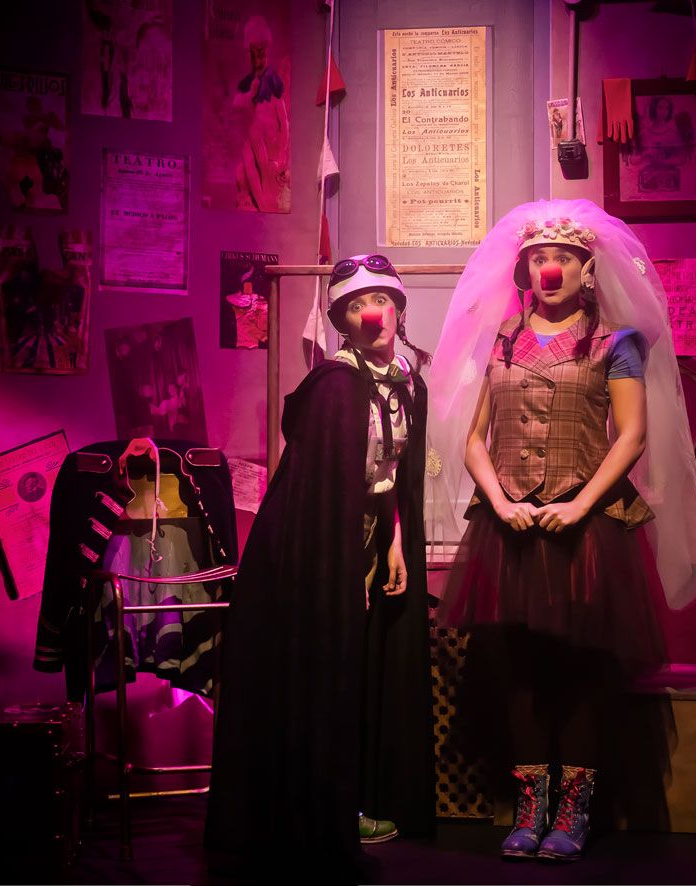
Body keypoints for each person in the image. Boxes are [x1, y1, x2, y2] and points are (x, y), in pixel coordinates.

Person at [426, 199, 696, 863]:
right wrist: (498, 500)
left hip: (585, 532)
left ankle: (574, 811)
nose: (548, 269)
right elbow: (474, 438)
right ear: (523, 268)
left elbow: (631, 435)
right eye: (538, 258)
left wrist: (581, 504)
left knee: (582, 672)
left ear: (587, 268)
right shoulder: (500, 339)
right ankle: (530, 808)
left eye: (561, 258)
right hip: (512, 530)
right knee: (520, 671)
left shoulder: (615, 343)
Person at [206, 255, 434, 880]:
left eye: (380, 301)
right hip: (310, 544)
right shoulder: (337, 384)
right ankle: (317, 814)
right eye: (356, 307)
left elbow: (388, 477)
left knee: (357, 666)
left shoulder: (408, 382)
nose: (371, 316)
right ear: (342, 322)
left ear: (398, 309)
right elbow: (329, 485)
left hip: (365, 535)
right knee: (323, 667)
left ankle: (351, 799)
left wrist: (392, 541)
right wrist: (340, 565)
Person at [233, 16, 290, 212]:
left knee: (264, 165)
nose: (258, 60)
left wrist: (281, 154)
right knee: (247, 159)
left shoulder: (273, 84)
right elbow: (238, 106)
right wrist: (250, 94)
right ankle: (261, 203)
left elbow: (284, 122)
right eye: (253, 54)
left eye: (262, 53)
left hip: (272, 155)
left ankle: (265, 204)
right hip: (254, 150)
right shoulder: (247, 86)